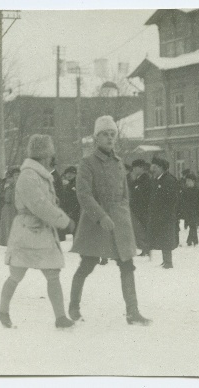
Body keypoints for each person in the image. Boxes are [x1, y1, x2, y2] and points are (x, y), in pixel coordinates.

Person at [69, 116, 152, 326]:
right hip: (96, 224)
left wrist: (122, 211)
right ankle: (73, 307)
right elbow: (84, 194)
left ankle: (132, 311)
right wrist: (101, 216)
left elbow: (125, 193)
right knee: (87, 265)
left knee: (127, 265)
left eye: (112, 134)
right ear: (96, 137)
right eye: (105, 134)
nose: (109, 138)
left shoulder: (118, 163)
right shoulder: (87, 163)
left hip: (119, 223)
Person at [0, 134, 76, 329]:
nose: (51, 158)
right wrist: (64, 221)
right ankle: (3, 310)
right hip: (28, 231)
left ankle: (60, 318)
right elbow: (39, 205)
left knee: (52, 273)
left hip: (39, 232)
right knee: (16, 274)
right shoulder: (29, 176)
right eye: (49, 154)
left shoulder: (39, 175)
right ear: (43, 155)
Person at [147, 156, 179, 269]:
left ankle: (168, 262)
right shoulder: (157, 180)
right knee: (162, 238)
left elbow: (172, 199)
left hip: (166, 215)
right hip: (158, 215)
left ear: (162, 168)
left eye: (155, 167)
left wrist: (165, 212)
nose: (153, 169)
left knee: (167, 238)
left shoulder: (169, 180)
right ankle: (165, 260)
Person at [129, 159, 152, 256]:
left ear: (141, 168)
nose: (133, 170)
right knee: (141, 229)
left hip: (143, 209)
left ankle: (147, 249)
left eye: (135, 168)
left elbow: (141, 194)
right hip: (137, 209)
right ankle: (145, 249)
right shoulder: (138, 179)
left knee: (143, 229)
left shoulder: (145, 179)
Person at [0, 167, 20, 247]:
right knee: (7, 226)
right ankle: (8, 243)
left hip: (17, 207)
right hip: (8, 207)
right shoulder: (8, 185)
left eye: (18, 174)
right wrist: (2, 183)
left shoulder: (21, 185)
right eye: (15, 175)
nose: (17, 176)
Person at [180, 173, 199, 246]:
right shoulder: (185, 190)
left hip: (196, 211)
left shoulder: (198, 190)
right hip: (187, 211)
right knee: (192, 225)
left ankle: (192, 241)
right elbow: (182, 200)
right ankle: (192, 240)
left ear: (193, 181)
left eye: (189, 180)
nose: (187, 182)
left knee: (193, 225)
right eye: (186, 181)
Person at [60, 166, 80, 233]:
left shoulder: (76, 184)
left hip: (76, 212)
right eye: (67, 173)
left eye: (71, 173)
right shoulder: (69, 185)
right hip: (71, 212)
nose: (69, 175)